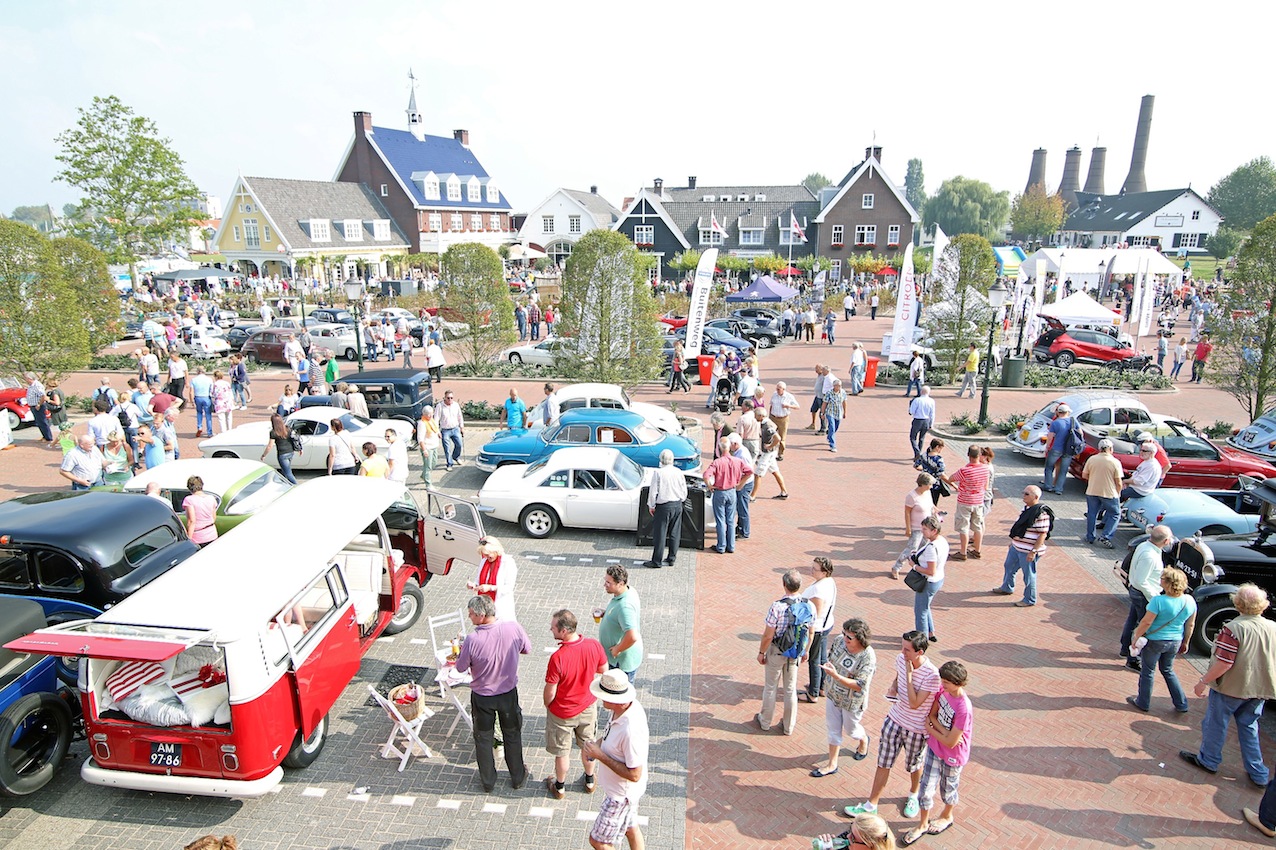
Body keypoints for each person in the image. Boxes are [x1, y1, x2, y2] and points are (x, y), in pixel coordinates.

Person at [1180, 583, 1276, 786]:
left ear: (1238, 604)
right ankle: (1258, 772)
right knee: (1249, 727)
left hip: (1231, 687)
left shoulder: (1233, 629)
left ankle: (1209, 760)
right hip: (1259, 689)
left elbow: (1225, 663)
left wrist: (1203, 681)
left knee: (1215, 723)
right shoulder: (1273, 627)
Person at [844, 631, 942, 821]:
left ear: (919, 652)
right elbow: (899, 678)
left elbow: (915, 703)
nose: (902, 652)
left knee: (914, 765)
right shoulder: (901, 659)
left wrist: (909, 673)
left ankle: (913, 795)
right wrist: (894, 687)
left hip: (916, 729)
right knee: (883, 762)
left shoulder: (932, 675)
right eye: (902, 647)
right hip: (895, 720)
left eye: (907, 650)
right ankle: (871, 804)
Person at [454, 595, 531, 793]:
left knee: (483, 738)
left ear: (481, 615)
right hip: (508, 693)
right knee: (512, 734)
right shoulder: (513, 627)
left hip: (483, 697)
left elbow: (461, 668)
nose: (469, 618)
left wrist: (463, 653)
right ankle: (517, 777)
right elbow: (527, 648)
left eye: (471, 614)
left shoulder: (472, 639)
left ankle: (488, 781)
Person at [899, 662, 974, 846]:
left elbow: (951, 742)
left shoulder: (964, 708)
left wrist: (933, 730)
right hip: (935, 747)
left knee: (948, 788)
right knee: (926, 788)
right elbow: (932, 717)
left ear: (958, 683)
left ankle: (947, 815)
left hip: (953, 756)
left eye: (947, 682)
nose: (943, 684)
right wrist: (941, 731)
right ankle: (923, 823)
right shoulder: (942, 692)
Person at [543, 609, 608, 800]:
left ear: (563, 631)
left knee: (562, 752)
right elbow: (603, 670)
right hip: (587, 708)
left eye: (553, 626)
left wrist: (548, 704)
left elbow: (550, 690)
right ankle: (589, 781)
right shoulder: (594, 646)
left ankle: (560, 786)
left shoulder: (558, 657)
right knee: (588, 746)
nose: (550, 629)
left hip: (562, 712)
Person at [582, 669, 649, 850]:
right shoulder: (623, 709)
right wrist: (596, 745)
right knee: (630, 828)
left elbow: (634, 774)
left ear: (617, 700)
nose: (601, 699)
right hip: (625, 793)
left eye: (604, 695)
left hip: (621, 796)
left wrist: (599, 755)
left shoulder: (630, 730)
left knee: (598, 841)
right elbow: (610, 737)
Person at [810, 617, 876, 778]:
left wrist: (837, 676)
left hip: (852, 701)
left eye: (849, 637)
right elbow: (832, 658)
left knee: (851, 730)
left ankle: (863, 740)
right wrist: (829, 672)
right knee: (833, 729)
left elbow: (860, 684)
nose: (844, 639)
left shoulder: (867, 656)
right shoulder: (839, 641)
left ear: (860, 639)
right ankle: (832, 764)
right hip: (833, 694)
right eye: (844, 634)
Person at [1127, 567, 1197, 713]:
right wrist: (1186, 642)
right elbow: (1190, 624)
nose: (1160, 580)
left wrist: (1136, 637)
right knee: (1168, 670)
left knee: (1148, 671)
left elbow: (1146, 622)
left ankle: (1143, 702)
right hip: (1175, 641)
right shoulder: (1189, 601)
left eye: (1162, 579)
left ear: (1167, 583)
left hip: (1155, 641)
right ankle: (1181, 703)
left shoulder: (1158, 601)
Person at [754, 568, 811, 735]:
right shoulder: (809, 605)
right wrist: (805, 651)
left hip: (777, 651)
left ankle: (765, 721)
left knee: (771, 686)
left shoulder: (777, 607)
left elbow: (768, 635)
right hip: (795, 653)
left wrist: (761, 652)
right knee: (790, 689)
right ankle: (788, 726)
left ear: (784, 585)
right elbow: (811, 631)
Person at [992, 485, 1052, 608]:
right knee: (1009, 566)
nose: (1023, 496)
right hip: (1017, 547)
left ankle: (1030, 599)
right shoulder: (1027, 509)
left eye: (1026, 494)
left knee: (1029, 575)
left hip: (1028, 550)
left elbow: (1042, 534)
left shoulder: (1041, 514)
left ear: (1035, 497)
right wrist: (1014, 542)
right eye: (1023, 493)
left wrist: (1033, 551)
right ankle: (1007, 587)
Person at [704, 436, 753, 554]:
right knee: (730, 520)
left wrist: (709, 485)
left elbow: (706, 475)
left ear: (720, 448)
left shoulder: (717, 462)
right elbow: (750, 471)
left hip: (720, 492)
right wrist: (740, 483)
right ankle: (731, 546)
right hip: (732, 491)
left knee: (720, 520)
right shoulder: (737, 461)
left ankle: (721, 545)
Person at [942, 446, 990, 562]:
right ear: (979, 455)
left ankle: (963, 552)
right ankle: (977, 550)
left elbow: (951, 478)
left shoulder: (964, 470)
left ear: (968, 455)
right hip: (978, 501)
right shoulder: (986, 469)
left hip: (965, 501)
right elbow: (986, 486)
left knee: (963, 527)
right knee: (978, 526)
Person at [801, 557, 839, 703]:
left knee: (815, 660)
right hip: (827, 624)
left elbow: (815, 612)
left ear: (824, 572)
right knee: (822, 657)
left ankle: (813, 692)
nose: (811, 570)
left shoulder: (818, 589)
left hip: (818, 628)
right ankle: (822, 686)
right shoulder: (829, 582)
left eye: (815, 569)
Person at [644, 449, 687, 569]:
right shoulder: (679, 472)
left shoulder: (658, 473)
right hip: (677, 504)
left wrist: (651, 505)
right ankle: (672, 558)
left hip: (664, 506)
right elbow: (684, 490)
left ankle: (657, 560)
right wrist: (681, 500)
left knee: (660, 534)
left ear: (661, 460)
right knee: (675, 533)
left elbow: (653, 492)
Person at [598, 565, 643, 682]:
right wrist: (606, 614)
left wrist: (617, 649)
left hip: (620, 662)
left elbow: (632, 636)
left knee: (619, 696)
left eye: (609, 583)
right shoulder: (628, 591)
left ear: (620, 583)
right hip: (617, 660)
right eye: (605, 581)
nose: (605, 585)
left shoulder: (625, 607)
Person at [1081, 438, 1123, 548]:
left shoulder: (1092, 459)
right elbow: (1118, 481)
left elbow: (1084, 475)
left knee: (1092, 514)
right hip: (1109, 492)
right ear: (1110, 449)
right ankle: (1106, 536)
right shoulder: (1115, 462)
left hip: (1092, 490)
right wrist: (1118, 493)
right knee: (1115, 514)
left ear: (1099, 449)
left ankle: (1090, 536)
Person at [911, 516, 947, 643]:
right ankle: (930, 632)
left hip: (929, 582)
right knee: (925, 606)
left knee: (920, 611)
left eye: (925, 529)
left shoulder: (932, 547)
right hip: (939, 579)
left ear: (934, 531)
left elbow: (930, 571)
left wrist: (914, 566)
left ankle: (922, 640)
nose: (923, 531)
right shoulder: (942, 541)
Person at [893, 474, 935, 580]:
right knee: (912, 548)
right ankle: (896, 567)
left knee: (924, 547)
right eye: (930, 484)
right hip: (916, 527)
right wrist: (908, 528)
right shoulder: (911, 496)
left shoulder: (927, 493)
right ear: (923, 484)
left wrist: (936, 512)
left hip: (927, 526)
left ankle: (919, 568)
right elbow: (907, 512)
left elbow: (931, 506)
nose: (931, 486)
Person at [468, 537, 518, 622]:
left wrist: (491, 588)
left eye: (488, 554)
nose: (487, 557)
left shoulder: (508, 562)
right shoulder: (484, 561)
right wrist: (474, 585)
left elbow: (509, 587)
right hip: (485, 607)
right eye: (485, 555)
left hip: (501, 607)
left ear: (496, 550)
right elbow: (479, 580)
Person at [1041, 403, 1077, 495]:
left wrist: (1048, 447)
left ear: (1059, 412)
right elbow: (1080, 433)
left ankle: (1048, 486)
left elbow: (1050, 436)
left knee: (1049, 467)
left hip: (1056, 448)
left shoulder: (1055, 423)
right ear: (1067, 412)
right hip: (1068, 449)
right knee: (1063, 470)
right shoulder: (1073, 421)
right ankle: (1059, 489)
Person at [752, 409, 788, 498]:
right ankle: (784, 492)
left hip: (768, 453)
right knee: (775, 471)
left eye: (756, 415)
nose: (754, 417)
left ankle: (752, 496)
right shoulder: (766, 423)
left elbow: (778, 438)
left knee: (758, 474)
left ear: (761, 416)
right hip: (771, 453)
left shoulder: (767, 425)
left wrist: (770, 446)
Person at [813, 813, 897, 850]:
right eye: (850, 829)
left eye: (853, 837)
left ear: (871, 846)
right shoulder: (846, 841)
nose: (848, 836)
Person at [182, 475, 219, 548]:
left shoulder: (189, 500)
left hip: (198, 537)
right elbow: (214, 518)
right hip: (212, 533)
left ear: (189, 487)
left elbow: (191, 521)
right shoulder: (211, 498)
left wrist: (188, 539)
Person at [263, 412, 298, 485]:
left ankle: (296, 485)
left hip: (282, 454)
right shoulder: (287, 429)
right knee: (286, 470)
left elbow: (270, 446)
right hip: (291, 452)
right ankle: (287, 484)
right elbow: (294, 439)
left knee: (288, 473)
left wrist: (264, 455)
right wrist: (300, 449)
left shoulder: (273, 432)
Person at [24, 372, 54, 446]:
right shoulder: (31, 386)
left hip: (38, 406)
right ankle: (44, 436)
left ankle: (48, 437)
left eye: (26, 378)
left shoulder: (37, 385)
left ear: (30, 378)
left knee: (42, 421)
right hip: (33, 405)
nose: (25, 380)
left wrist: (39, 404)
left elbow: (43, 396)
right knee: (39, 422)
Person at [437, 389, 465, 468]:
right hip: (445, 430)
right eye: (448, 398)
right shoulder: (440, 406)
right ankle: (449, 463)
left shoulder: (456, 405)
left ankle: (456, 457)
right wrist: (437, 431)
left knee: (459, 444)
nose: (450, 400)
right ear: (444, 398)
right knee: (447, 448)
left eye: (451, 398)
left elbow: (460, 417)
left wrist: (461, 427)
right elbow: (436, 419)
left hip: (455, 428)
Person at [907, 387, 935, 463]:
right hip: (926, 420)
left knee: (913, 437)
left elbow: (911, 411)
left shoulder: (917, 400)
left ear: (921, 391)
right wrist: (931, 424)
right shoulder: (931, 401)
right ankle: (918, 454)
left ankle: (917, 453)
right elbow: (932, 414)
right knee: (922, 438)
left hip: (917, 420)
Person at [916, 438, 947, 506]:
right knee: (932, 505)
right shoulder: (938, 459)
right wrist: (954, 485)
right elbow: (941, 474)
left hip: (923, 482)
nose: (940, 450)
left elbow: (916, 465)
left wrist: (925, 469)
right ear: (937, 447)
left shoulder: (924, 455)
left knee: (923, 503)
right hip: (934, 485)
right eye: (940, 448)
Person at [417, 405, 441, 489]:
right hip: (427, 447)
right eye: (428, 414)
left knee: (434, 463)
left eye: (431, 414)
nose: (430, 416)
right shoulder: (422, 423)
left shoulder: (432, 420)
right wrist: (424, 450)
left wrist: (438, 433)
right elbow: (420, 439)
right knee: (428, 466)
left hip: (434, 446)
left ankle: (424, 475)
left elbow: (436, 428)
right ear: (424, 414)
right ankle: (428, 484)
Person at [823, 377, 848, 453]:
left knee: (835, 427)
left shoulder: (843, 392)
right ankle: (832, 445)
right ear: (834, 386)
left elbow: (844, 402)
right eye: (837, 385)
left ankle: (829, 436)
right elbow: (824, 403)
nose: (838, 387)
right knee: (832, 427)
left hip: (838, 412)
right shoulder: (829, 393)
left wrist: (845, 412)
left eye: (840, 386)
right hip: (830, 412)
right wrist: (822, 413)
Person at [189, 366, 213, 437]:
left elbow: (191, 392)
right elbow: (211, 390)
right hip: (206, 397)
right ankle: (209, 432)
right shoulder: (209, 379)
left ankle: (199, 426)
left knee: (199, 412)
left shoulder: (194, 379)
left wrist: (192, 401)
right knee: (208, 414)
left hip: (198, 397)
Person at [809, 364, 830, 432]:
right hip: (817, 396)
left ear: (821, 369)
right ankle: (813, 424)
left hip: (821, 397)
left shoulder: (824, 377)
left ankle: (823, 428)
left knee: (822, 413)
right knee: (813, 409)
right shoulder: (819, 376)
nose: (816, 370)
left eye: (817, 369)